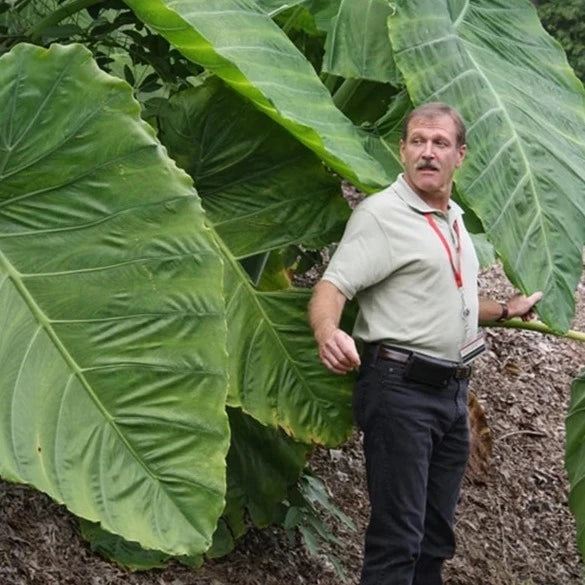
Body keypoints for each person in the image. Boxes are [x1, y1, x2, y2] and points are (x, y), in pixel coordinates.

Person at [308, 102, 542, 585]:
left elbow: (447, 295)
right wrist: (327, 331)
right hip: (400, 392)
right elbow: (332, 288)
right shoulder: (382, 216)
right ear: (402, 150)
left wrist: (504, 309)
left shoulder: (453, 218)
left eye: (440, 143)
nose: (427, 153)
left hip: (451, 397)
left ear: (461, 155)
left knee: (434, 542)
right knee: (399, 542)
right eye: (418, 141)